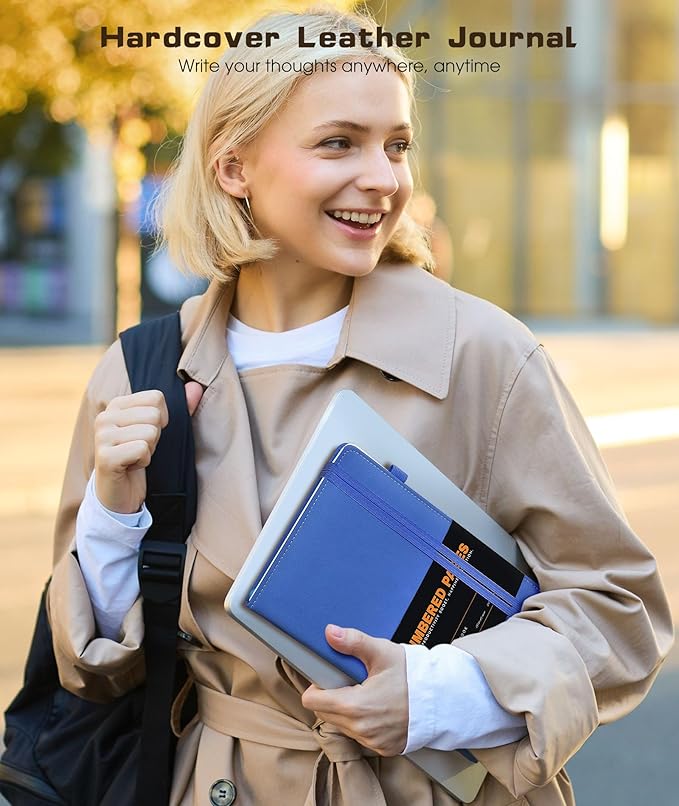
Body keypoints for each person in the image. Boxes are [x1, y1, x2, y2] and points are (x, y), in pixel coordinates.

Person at [47, 6, 673, 806]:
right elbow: (97, 669)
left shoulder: (482, 354)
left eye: (397, 145)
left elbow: (619, 612)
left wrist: (441, 694)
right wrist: (113, 516)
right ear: (233, 167)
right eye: (338, 143)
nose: (383, 177)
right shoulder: (140, 372)